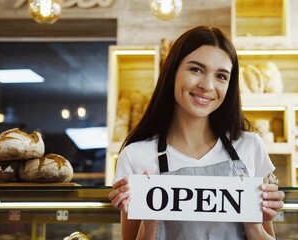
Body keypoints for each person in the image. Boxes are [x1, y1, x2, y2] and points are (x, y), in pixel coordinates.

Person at [108, 25, 285, 240]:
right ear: (172, 72)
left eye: (221, 76)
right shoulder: (135, 156)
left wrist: (254, 225)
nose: (207, 85)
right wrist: (150, 218)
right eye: (196, 69)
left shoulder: (250, 147)